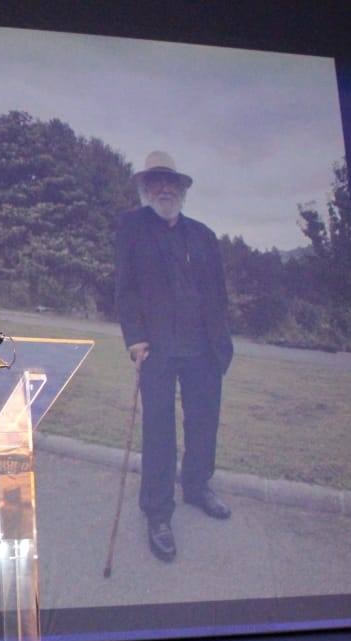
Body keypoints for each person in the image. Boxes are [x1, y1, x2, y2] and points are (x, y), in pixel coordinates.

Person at [115, 151, 235, 563]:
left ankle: (198, 486)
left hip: (203, 346)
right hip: (158, 347)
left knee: (204, 420)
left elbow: (218, 292)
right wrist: (135, 337)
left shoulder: (203, 234)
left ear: (182, 190)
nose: (164, 188)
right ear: (146, 188)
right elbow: (126, 289)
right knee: (160, 429)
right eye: (156, 182)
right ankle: (158, 512)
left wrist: (223, 341)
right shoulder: (131, 227)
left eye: (172, 182)